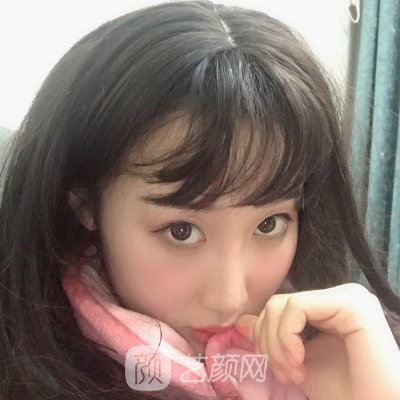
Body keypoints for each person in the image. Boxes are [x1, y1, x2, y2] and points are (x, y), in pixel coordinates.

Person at [0, 1, 399, 399]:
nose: (230, 298)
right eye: (182, 231)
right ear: (87, 206)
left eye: (269, 224)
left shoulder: (344, 349)